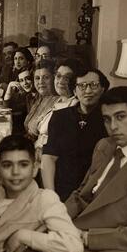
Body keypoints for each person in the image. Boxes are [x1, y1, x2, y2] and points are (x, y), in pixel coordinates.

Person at [39, 87, 127, 252]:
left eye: (120, 117)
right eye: (107, 119)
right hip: (78, 232)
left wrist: (87, 237)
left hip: (123, 250)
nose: (113, 126)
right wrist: (52, 215)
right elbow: (81, 196)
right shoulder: (105, 146)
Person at [41, 67, 110, 201]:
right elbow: (49, 157)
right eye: (82, 86)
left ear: (102, 89)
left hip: (94, 191)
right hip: (61, 188)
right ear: (74, 91)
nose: (88, 91)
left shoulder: (109, 119)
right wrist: (51, 196)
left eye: (94, 85)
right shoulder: (60, 117)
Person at [33, 58, 81, 165]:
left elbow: (63, 148)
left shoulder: (74, 106)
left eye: (67, 78)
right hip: (36, 155)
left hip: (47, 162)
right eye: (58, 76)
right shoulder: (58, 100)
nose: (60, 81)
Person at [24, 59, 59, 142]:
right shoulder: (39, 98)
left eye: (46, 77)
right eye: (37, 78)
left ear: (54, 78)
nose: (41, 82)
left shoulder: (58, 103)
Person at [2, 68, 37, 135]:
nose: (25, 83)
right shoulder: (28, 96)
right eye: (21, 80)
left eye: (28, 78)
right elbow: (6, 109)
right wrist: (9, 89)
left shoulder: (37, 96)